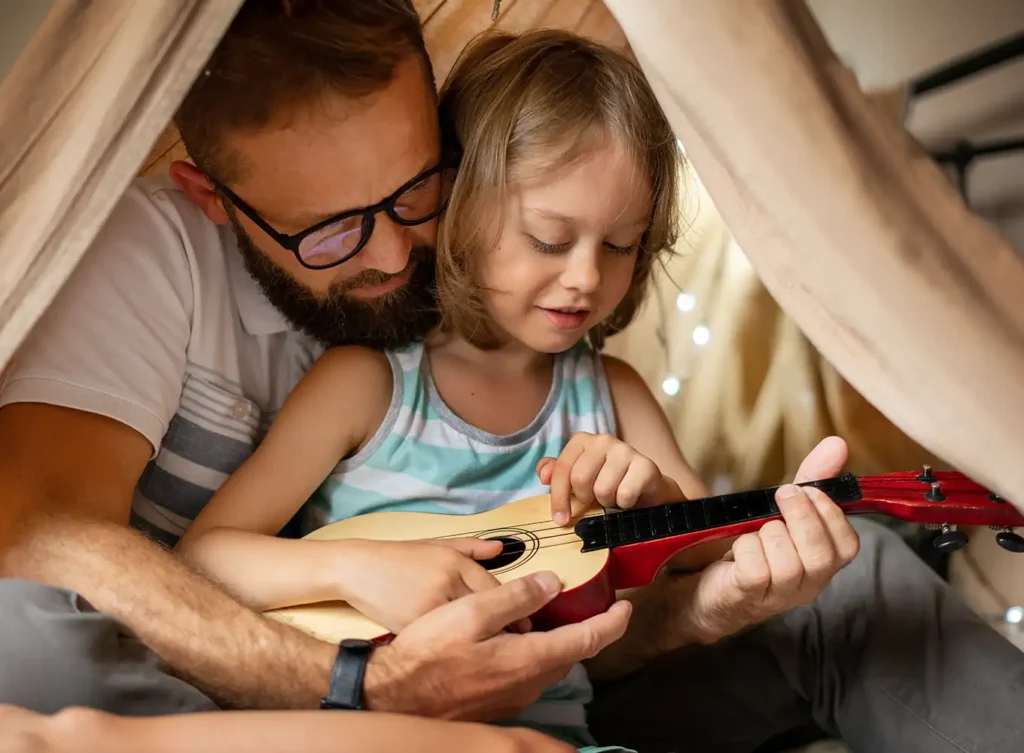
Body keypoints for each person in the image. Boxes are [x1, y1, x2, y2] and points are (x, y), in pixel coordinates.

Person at [0, 2, 1019, 752]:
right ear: (213, 197)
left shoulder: (583, 376)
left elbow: (638, 596)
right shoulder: (197, 286)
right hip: (280, 695)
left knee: (864, 579)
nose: (399, 257)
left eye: (417, 191)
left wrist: (687, 549)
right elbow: (44, 535)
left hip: (564, 687)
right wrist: (359, 665)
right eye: (333, 232)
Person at [175, 29, 721, 752]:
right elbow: (203, 557)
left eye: (619, 244)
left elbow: (708, 550)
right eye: (551, 240)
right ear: (457, 202)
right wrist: (356, 566)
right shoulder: (367, 382)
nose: (588, 276)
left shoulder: (612, 392)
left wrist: (654, 500)